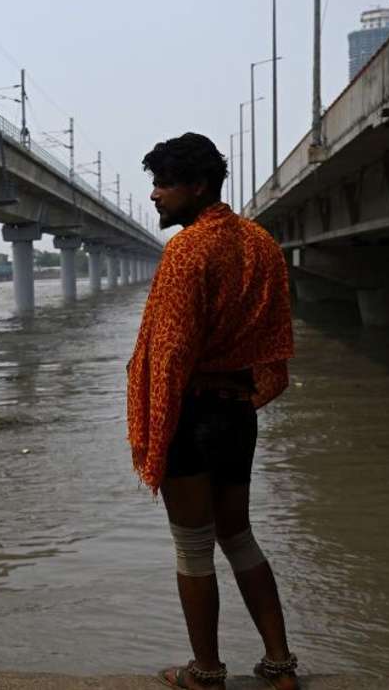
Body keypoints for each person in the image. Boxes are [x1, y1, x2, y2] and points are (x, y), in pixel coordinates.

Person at [127, 133, 298, 690]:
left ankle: (206, 671)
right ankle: (279, 666)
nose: (154, 196)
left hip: (193, 411)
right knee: (239, 535)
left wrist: (157, 424)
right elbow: (274, 342)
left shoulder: (188, 250)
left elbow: (171, 350)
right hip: (237, 413)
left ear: (196, 187)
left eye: (163, 184)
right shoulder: (261, 243)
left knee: (193, 546)